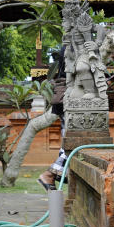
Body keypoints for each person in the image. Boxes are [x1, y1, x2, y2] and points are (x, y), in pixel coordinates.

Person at [38, 46, 66, 191]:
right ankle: (49, 174)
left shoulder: (71, 43)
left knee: (67, 143)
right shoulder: (72, 45)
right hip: (68, 99)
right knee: (70, 145)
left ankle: (51, 175)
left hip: (67, 100)